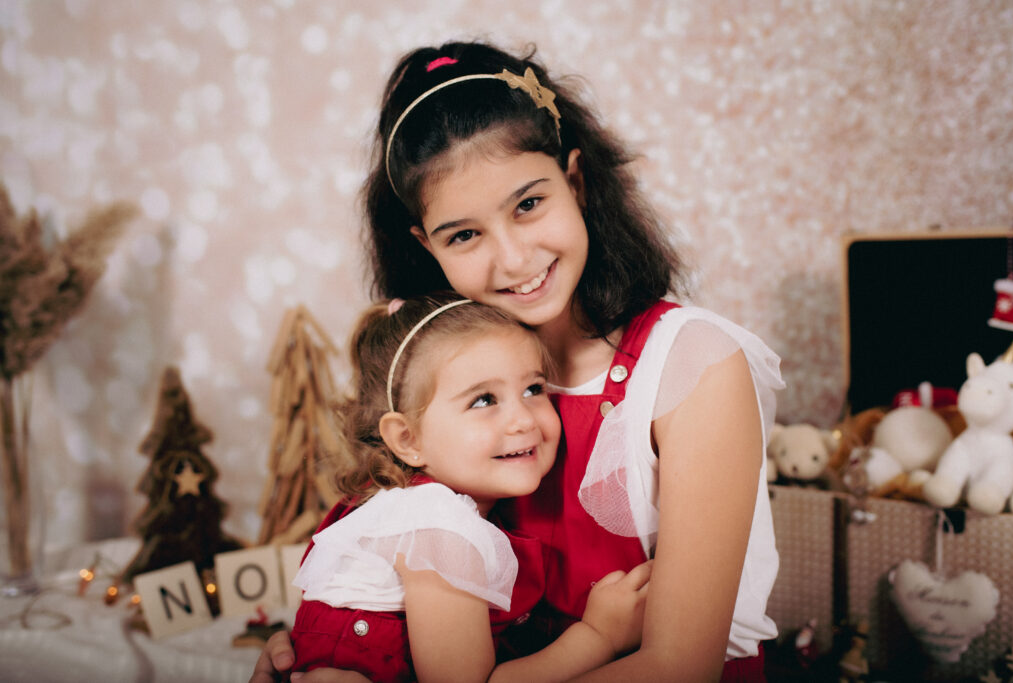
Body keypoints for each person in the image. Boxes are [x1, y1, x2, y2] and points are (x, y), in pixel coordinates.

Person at [252, 39, 784, 683]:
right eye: (465, 235)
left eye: (529, 204)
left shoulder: (694, 365)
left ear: (576, 181)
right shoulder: (438, 378)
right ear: (427, 246)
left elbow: (679, 666)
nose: (512, 259)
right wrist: (330, 641)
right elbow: (401, 561)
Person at [287, 293, 650, 682]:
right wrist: (599, 637)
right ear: (408, 439)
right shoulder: (436, 526)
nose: (522, 420)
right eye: (484, 400)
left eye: (533, 389)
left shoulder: (414, 506)